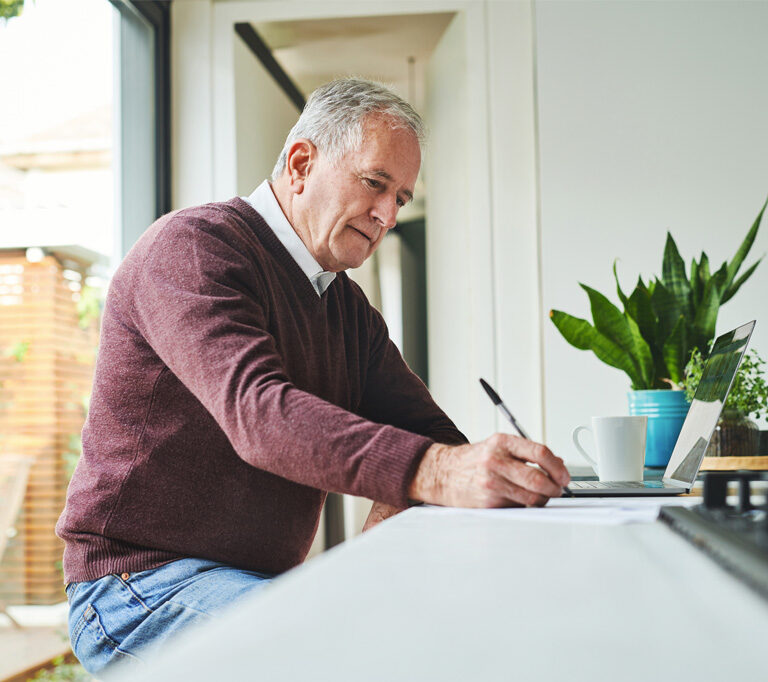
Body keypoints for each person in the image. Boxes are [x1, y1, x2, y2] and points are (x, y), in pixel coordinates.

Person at [56, 78, 570, 674]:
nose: (388, 215)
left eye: (401, 197)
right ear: (302, 163)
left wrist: (426, 497)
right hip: (137, 588)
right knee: (355, 655)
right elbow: (260, 415)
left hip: (253, 582)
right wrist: (428, 473)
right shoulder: (194, 248)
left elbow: (436, 441)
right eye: (376, 183)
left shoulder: (347, 310)